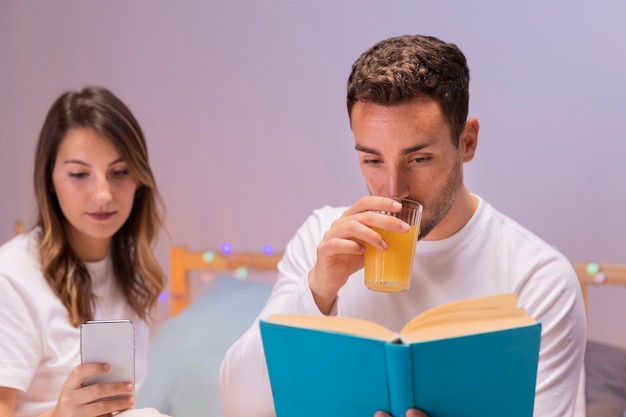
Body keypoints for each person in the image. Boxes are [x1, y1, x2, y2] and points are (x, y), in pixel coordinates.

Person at [219, 34, 587, 417]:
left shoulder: (538, 278)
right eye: (373, 161)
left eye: (419, 158)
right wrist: (317, 290)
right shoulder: (322, 237)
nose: (395, 191)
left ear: (467, 142)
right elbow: (239, 406)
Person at [0, 86, 170, 417]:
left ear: (139, 180)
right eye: (79, 174)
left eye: (119, 172)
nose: (103, 194)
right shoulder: (12, 278)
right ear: (50, 179)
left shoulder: (129, 273)